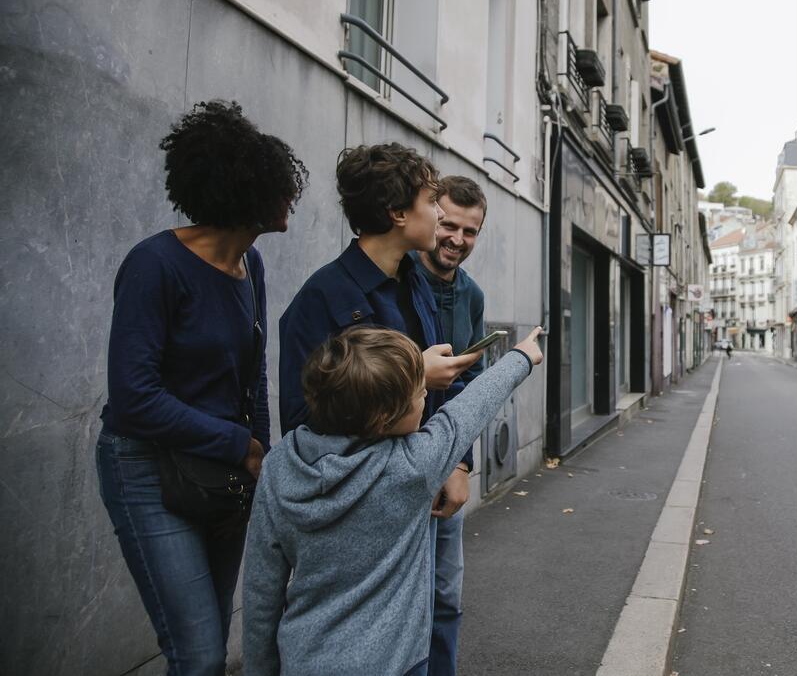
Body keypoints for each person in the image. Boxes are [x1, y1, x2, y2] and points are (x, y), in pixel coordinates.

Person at [96, 100, 308, 675]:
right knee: (198, 654)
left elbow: (252, 371)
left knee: (211, 644)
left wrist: (260, 452)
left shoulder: (251, 264)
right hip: (146, 467)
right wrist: (238, 445)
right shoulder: (155, 265)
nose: (290, 194)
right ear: (244, 190)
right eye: (280, 183)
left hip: (221, 474)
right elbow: (134, 398)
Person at [242, 326, 543, 676]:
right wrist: (521, 357)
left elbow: (262, 590)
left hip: (304, 661)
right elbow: (469, 408)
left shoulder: (278, 467)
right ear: (384, 418)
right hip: (395, 664)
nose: (425, 398)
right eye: (420, 394)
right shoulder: (413, 467)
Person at [277, 143, 480, 438]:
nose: (439, 212)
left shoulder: (415, 282)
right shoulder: (320, 296)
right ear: (398, 213)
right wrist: (413, 375)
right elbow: (302, 423)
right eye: (433, 201)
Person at [413, 175, 488, 675]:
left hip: (447, 468)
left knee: (445, 597)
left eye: (470, 231)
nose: (457, 240)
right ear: (428, 218)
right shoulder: (396, 279)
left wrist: (460, 464)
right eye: (449, 225)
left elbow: (472, 389)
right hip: (393, 466)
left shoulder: (472, 296)